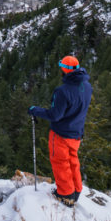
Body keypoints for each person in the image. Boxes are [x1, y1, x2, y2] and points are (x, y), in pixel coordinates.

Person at [28, 55, 93, 207]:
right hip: (76, 132)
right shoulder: (87, 86)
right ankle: (76, 190)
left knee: (60, 162)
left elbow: (55, 115)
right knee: (73, 161)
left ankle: (66, 194)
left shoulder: (63, 91)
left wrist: (35, 110)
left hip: (61, 133)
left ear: (64, 70)